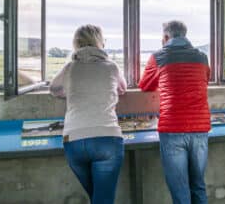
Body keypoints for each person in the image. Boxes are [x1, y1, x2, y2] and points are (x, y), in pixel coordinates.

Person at [50, 24, 126, 204]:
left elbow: (53, 89)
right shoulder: (111, 66)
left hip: (74, 140)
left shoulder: (70, 67)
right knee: (103, 199)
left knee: (97, 198)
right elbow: (122, 89)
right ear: (100, 42)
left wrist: (69, 91)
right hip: (107, 138)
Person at [139, 20, 211, 204]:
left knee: (180, 190)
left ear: (165, 37)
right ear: (185, 35)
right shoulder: (202, 57)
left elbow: (145, 85)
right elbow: (205, 80)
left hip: (172, 128)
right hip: (200, 128)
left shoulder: (158, 57)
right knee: (199, 186)